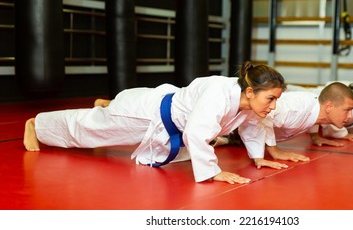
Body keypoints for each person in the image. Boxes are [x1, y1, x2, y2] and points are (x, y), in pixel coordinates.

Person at [23, 61, 287, 184]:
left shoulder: (247, 103)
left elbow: (251, 128)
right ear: (251, 92)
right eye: (271, 98)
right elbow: (196, 132)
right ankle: (39, 125)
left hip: (167, 118)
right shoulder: (218, 93)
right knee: (88, 130)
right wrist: (214, 171)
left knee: (105, 121)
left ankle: (109, 104)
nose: (273, 105)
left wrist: (257, 156)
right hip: (147, 114)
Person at [238, 82, 353, 162]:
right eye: (347, 110)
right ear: (329, 106)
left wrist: (315, 136)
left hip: (246, 136)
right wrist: (274, 151)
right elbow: (265, 113)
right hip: (234, 126)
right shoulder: (297, 107)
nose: (350, 116)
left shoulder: (316, 108)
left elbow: (312, 117)